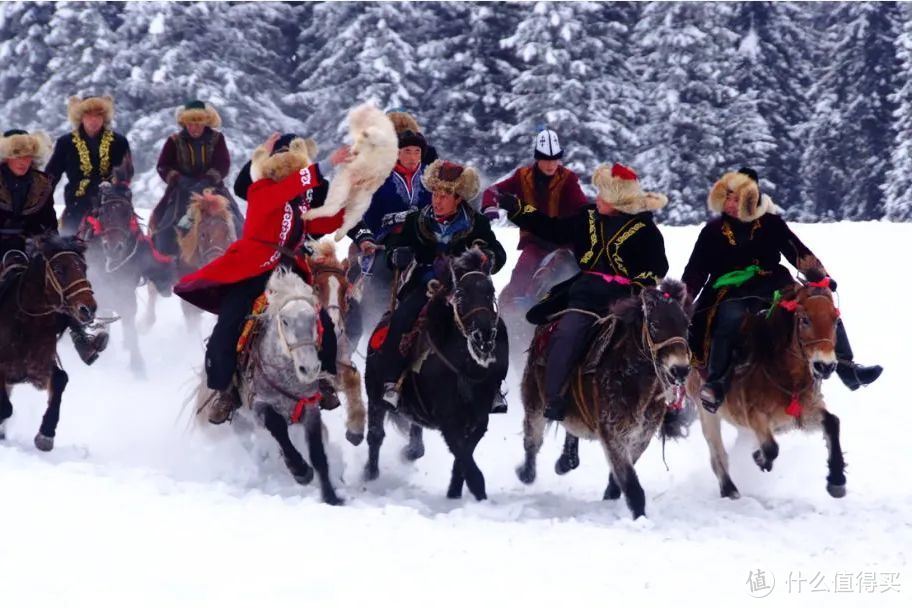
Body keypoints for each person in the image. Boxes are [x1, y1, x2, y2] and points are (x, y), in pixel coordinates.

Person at [174, 133, 353, 424]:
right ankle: (224, 390)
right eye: (290, 170)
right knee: (229, 323)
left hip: (290, 271)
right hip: (254, 270)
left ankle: (324, 378)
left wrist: (353, 200)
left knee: (322, 321)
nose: (295, 176)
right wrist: (326, 165)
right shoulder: (262, 191)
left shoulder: (297, 206)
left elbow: (324, 222)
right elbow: (293, 186)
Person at [682, 167, 883, 411]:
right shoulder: (712, 232)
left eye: (736, 198)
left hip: (772, 281)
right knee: (729, 318)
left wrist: (821, 277)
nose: (730, 204)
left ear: (750, 198)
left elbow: (797, 252)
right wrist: (684, 294)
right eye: (727, 197)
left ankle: (846, 366)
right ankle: (717, 382)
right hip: (730, 289)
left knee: (819, 306)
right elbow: (696, 270)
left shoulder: (771, 223)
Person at [495, 162, 669, 421]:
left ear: (617, 199)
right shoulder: (586, 216)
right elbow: (551, 228)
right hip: (585, 295)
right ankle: (554, 397)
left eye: (603, 194)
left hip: (626, 301)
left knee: (658, 338)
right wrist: (518, 209)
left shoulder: (646, 231)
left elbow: (657, 268)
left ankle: (668, 402)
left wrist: (638, 285)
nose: (596, 198)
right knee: (566, 333)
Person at [378, 159, 507, 410]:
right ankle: (392, 381)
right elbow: (392, 246)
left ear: (458, 198)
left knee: (494, 325)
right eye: (435, 194)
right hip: (425, 285)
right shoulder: (417, 220)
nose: (437, 200)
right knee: (402, 318)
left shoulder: (476, 223)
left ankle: (494, 386)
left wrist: (488, 257)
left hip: (464, 291)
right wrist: (396, 254)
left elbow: (496, 252)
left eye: (445, 195)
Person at [0, 129, 109, 364]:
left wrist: (54, 246)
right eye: (18, 156)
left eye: (28, 156)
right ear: (7, 157)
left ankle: (82, 336)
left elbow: (47, 222)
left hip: (29, 244)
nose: (23, 162)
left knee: (63, 271)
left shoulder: (41, 184)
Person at [481, 128, 588, 305]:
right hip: (535, 242)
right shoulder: (522, 177)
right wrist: (489, 206)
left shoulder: (568, 179)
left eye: (554, 159)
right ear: (537, 158)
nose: (551, 164)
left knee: (565, 274)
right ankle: (512, 310)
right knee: (521, 273)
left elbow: (581, 208)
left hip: (563, 243)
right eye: (546, 159)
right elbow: (493, 191)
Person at [150, 100, 243, 258]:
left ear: (205, 122)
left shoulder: (217, 139)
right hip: (181, 191)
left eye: (198, 123)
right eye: (190, 123)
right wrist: (178, 179)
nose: (194, 128)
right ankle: (168, 260)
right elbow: (163, 165)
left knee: (238, 222)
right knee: (165, 226)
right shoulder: (174, 141)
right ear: (184, 123)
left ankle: (239, 257)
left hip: (213, 189)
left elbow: (223, 163)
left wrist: (209, 179)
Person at [44, 94, 133, 235]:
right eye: (89, 115)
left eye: (98, 115)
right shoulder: (66, 142)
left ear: (104, 118)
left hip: (112, 199)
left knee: (130, 234)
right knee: (68, 237)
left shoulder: (119, 142)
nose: (93, 120)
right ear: (80, 118)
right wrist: (42, 198)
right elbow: (52, 174)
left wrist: (115, 187)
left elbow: (126, 172)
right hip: (78, 200)